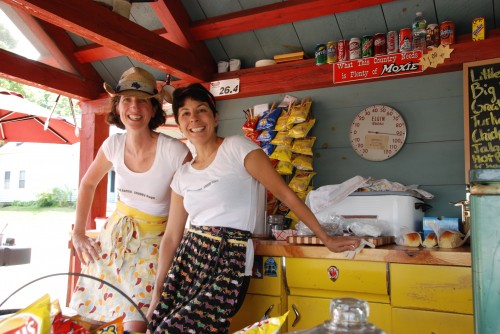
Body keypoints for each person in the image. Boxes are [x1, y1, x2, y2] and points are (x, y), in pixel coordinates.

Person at [146, 83, 361, 333]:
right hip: (189, 258)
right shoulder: (182, 175)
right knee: (156, 325)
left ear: (215, 117)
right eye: (185, 113)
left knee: (178, 329)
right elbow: (172, 237)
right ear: (180, 125)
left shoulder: (237, 148)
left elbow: (286, 195)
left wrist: (325, 238)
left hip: (228, 257)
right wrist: (158, 289)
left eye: (201, 110)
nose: (194, 118)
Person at [69, 67, 191, 333]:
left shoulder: (175, 151)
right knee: (91, 321)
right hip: (113, 241)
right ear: (118, 106)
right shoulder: (112, 145)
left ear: (153, 108)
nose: (133, 107)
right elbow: (88, 184)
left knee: (135, 325)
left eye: (142, 100)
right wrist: (78, 232)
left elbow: (194, 202)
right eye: (127, 100)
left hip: (154, 246)